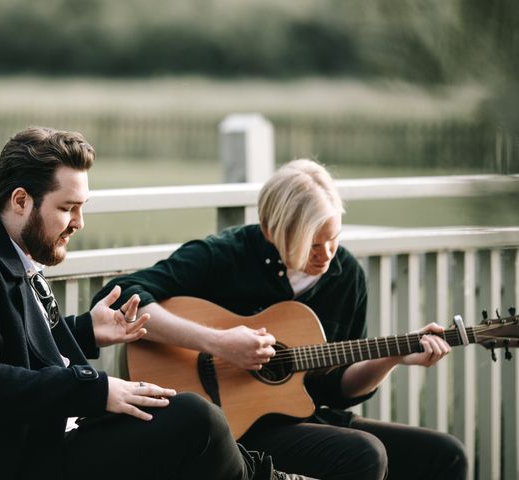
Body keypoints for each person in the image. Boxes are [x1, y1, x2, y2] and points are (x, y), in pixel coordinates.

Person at [0, 127, 312, 480]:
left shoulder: (5, 251)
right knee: (192, 418)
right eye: (68, 208)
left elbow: (14, 345)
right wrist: (96, 391)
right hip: (5, 461)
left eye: (82, 207)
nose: (79, 223)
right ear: (20, 200)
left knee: (179, 414)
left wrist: (83, 331)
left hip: (36, 443)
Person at [92, 158, 469, 480]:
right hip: (231, 428)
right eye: (311, 244)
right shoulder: (223, 256)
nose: (325, 256)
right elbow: (124, 299)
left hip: (305, 418)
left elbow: (340, 388)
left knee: (445, 455)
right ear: (272, 230)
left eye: (333, 239)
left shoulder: (346, 274)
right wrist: (219, 343)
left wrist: (393, 356)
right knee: (365, 455)